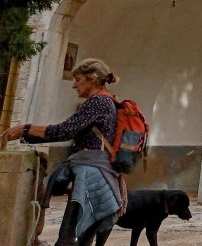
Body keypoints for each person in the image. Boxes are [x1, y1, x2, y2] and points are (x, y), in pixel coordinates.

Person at [2, 58, 125, 246]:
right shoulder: (108, 101)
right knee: (81, 237)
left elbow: (64, 130)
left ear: (91, 79)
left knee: (70, 236)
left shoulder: (98, 101)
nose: (74, 85)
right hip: (100, 174)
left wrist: (25, 129)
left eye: (78, 79)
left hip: (91, 175)